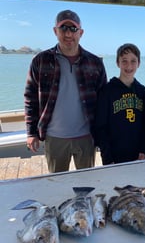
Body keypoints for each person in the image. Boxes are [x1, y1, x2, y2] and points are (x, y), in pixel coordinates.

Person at [24, 9, 107, 173]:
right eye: (64, 28)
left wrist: (103, 135)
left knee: (87, 185)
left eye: (73, 29)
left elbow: (103, 102)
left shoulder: (95, 62)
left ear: (81, 33)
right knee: (57, 185)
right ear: (55, 31)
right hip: (54, 138)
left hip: (86, 137)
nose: (68, 34)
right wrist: (31, 133)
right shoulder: (40, 61)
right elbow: (30, 98)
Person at [95, 43, 145, 165]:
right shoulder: (107, 91)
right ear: (118, 63)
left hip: (137, 154)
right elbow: (100, 127)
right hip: (113, 155)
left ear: (138, 63)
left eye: (133, 61)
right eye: (124, 61)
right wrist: (107, 156)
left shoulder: (142, 91)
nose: (129, 65)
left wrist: (143, 149)